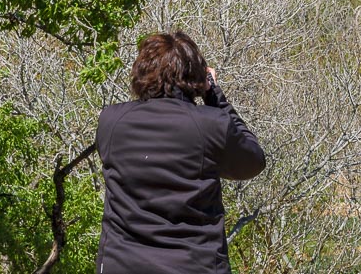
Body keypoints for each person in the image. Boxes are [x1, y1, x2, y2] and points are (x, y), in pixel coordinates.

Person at [95, 30, 266, 273]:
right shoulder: (211, 125)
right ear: (195, 76)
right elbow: (252, 161)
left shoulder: (111, 121)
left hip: (122, 263)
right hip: (193, 265)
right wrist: (213, 94)